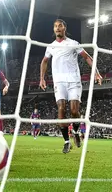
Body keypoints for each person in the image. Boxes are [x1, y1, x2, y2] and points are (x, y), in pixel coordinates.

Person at [39, 19, 102, 154]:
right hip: (59, 82)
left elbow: (87, 57)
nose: (57, 28)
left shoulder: (73, 44)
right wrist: (42, 78)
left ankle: (76, 131)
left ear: (64, 28)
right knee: (61, 108)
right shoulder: (50, 46)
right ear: (54, 29)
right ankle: (67, 142)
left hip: (74, 81)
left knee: (74, 110)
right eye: (55, 26)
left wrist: (96, 73)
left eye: (60, 26)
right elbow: (44, 61)